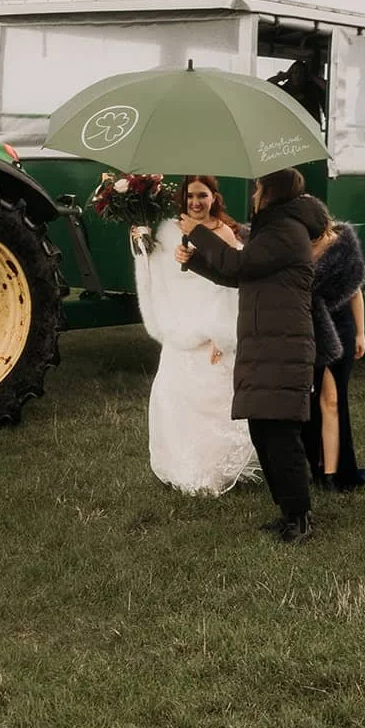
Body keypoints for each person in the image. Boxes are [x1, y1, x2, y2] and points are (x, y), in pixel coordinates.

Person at [179, 168, 328, 543]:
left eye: (259, 187)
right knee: (263, 430)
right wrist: (195, 260)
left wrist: (196, 232)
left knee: (280, 435)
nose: (254, 193)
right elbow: (242, 276)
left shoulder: (285, 231)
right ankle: (289, 512)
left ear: (272, 192)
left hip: (281, 346)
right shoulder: (273, 229)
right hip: (267, 343)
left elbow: (239, 264)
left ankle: (301, 518)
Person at [133, 175, 257, 496]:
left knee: (212, 402)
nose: (196, 202)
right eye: (190, 196)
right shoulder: (168, 231)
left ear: (214, 197)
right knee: (173, 399)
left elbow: (233, 284)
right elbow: (155, 276)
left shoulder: (225, 233)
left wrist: (223, 333)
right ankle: (183, 467)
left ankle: (212, 471)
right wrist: (140, 243)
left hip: (213, 333)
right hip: (179, 331)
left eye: (202, 195)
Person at [305, 213, 365, 491]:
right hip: (309, 329)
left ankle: (333, 471)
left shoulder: (342, 246)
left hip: (341, 329)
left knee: (335, 399)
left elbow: (355, 292)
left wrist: (361, 333)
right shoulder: (294, 246)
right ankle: (316, 464)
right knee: (312, 401)